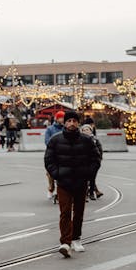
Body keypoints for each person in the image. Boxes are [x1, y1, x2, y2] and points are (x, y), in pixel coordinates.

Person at [44, 109, 101, 258]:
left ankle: (76, 239)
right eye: (69, 121)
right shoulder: (55, 140)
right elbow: (49, 160)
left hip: (81, 181)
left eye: (74, 121)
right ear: (65, 122)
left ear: (78, 123)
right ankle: (65, 242)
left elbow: (96, 159)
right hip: (63, 182)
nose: (71, 123)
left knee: (79, 212)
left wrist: (88, 174)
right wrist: (57, 174)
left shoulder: (86, 140)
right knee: (65, 212)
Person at [44, 111, 65, 201]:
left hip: (64, 154)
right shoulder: (50, 129)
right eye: (61, 117)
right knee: (51, 173)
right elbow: (47, 141)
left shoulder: (66, 128)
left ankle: (61, 191)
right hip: (52, 154)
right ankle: (51, 189)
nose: (63, 119)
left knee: (63, 173)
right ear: (57, 118)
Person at [80, 124, 104, 200]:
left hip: (94, 162)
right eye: (84, 130)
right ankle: (85, 194)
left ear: (91, 131)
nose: (86, 131)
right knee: (84, 179)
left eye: (87, 129)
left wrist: (98, 160)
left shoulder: (95, 140)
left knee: (92, 178)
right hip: (84, 162)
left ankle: (91, 193)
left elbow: (100, 151)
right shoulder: (80, 140)